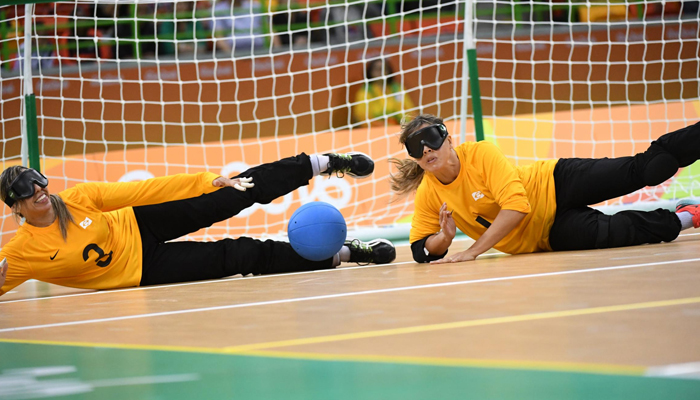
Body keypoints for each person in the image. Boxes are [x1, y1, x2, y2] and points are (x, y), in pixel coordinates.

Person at [0, 152, 396, 296]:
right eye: (27, 191)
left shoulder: (77, 199)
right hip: (142, 271)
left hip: (140, 222)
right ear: (16, 208)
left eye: (39, 181)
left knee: (236, 192)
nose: (39, 191)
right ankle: (340, 254)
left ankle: (323, 163)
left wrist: (208, 181)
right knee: (238, 255)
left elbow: (149, 190)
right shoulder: (20, 254)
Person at [389, 114, 700, 264]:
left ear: (448, 139)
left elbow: (517, 206)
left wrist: (472, 251)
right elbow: (421, 250)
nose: (427, 151)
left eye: (431, 140)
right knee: (619, 231)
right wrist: (443, 238)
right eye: (417, 148)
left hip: (556, 182)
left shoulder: (481, 154)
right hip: (548, 236)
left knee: (646, 169)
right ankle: (687, 216)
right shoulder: (430, 193)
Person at [353, 59, 415, 127]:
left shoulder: (397, 88)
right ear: (370, 72)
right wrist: (382, 125)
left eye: (384, 69)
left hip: (399, 127)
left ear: (389, 71)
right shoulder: (366, 91)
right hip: (375, 129)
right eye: (377, 69)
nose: (381, 72)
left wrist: (406, 124)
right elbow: (361, 116)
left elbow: (410, 110)